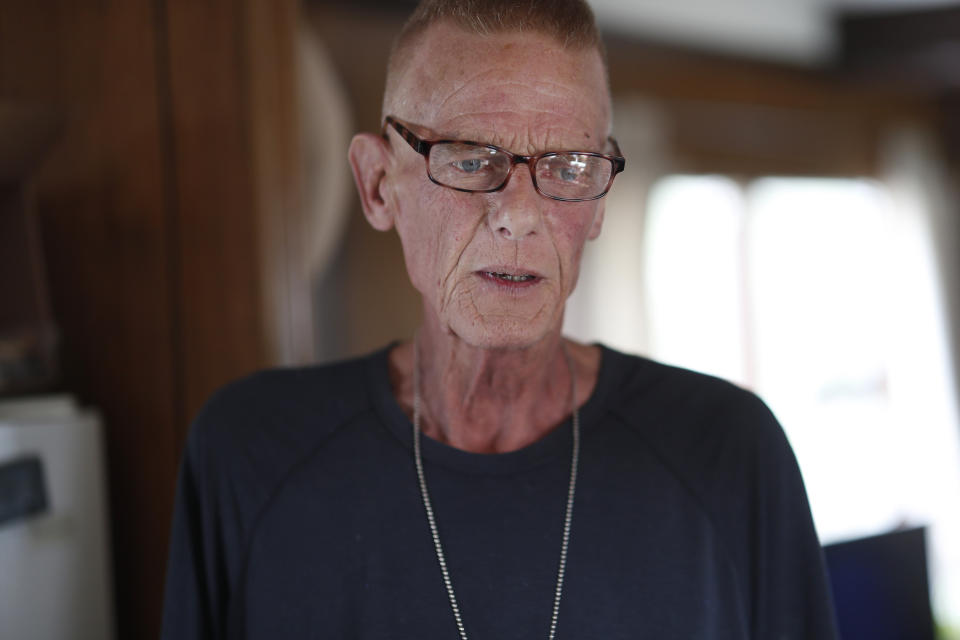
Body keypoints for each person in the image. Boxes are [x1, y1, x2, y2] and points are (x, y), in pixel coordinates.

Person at [161, 1, 838, 638]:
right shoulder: (250, 453)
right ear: (377, 185)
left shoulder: (726, 452)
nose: (518, 213)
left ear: (599, 204)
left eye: (569, 166)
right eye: (469, 158)